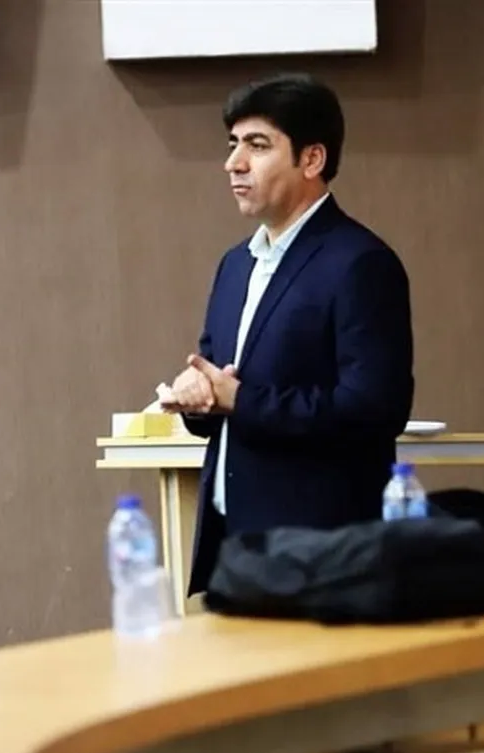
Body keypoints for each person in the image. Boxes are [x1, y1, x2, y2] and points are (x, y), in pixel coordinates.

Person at [160, 72, 415, 596]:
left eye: (257, 145)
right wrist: (197, 399)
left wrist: (241, 400)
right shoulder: (235, 265)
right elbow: (221, 388)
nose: (234, 163)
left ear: (312, 159)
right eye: (233, 144)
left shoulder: (361, 263)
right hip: (232, 546)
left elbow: (375, 410)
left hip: (320, 555)